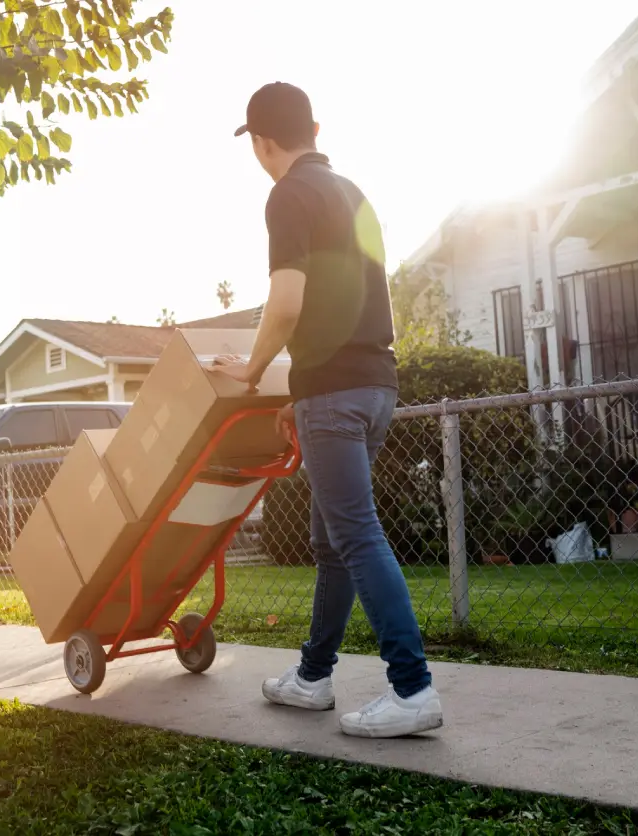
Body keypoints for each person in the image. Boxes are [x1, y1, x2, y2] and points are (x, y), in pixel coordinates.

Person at [213, 82, 443, 738]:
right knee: (333, 541)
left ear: (261, 142)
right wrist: (297, 393)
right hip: (373, 386)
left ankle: (412, 687)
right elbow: (347, 302)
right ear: (314, 127)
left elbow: (287, 303)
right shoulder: (354, 193)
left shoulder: (288, 194)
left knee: (355, 535)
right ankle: (313, 677)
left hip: (336, 395)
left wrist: (252, 372)